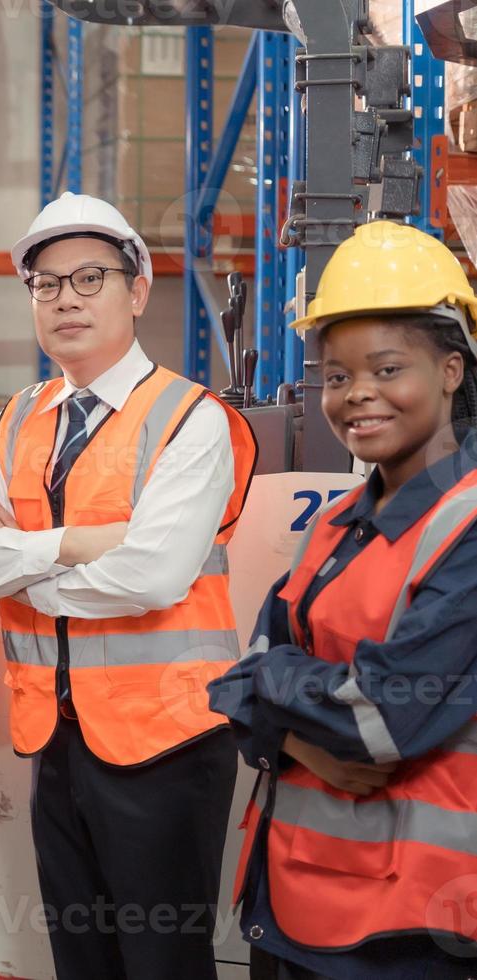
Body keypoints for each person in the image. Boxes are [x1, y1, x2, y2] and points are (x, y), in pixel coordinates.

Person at [0, 192, 258, 979]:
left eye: (88, 278)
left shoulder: (190, 418)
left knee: (162, 963)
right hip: (57, 737)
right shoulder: (19, 419)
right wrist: (74, 545)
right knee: (81, 960)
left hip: (165, 744)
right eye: (44, 285)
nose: (64, 300)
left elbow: (150, 576)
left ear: (137, 291)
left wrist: (17, 568)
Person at [208, 220, 477, 979]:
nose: (356, 394)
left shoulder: (467, 527)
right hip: (291, 903)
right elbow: (234, 680)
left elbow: (381, 718)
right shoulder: (335, 524)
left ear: (451, 370)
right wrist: (288, 730)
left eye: (386, 369)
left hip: (411, 932)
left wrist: (269, 681)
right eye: (334, 375)